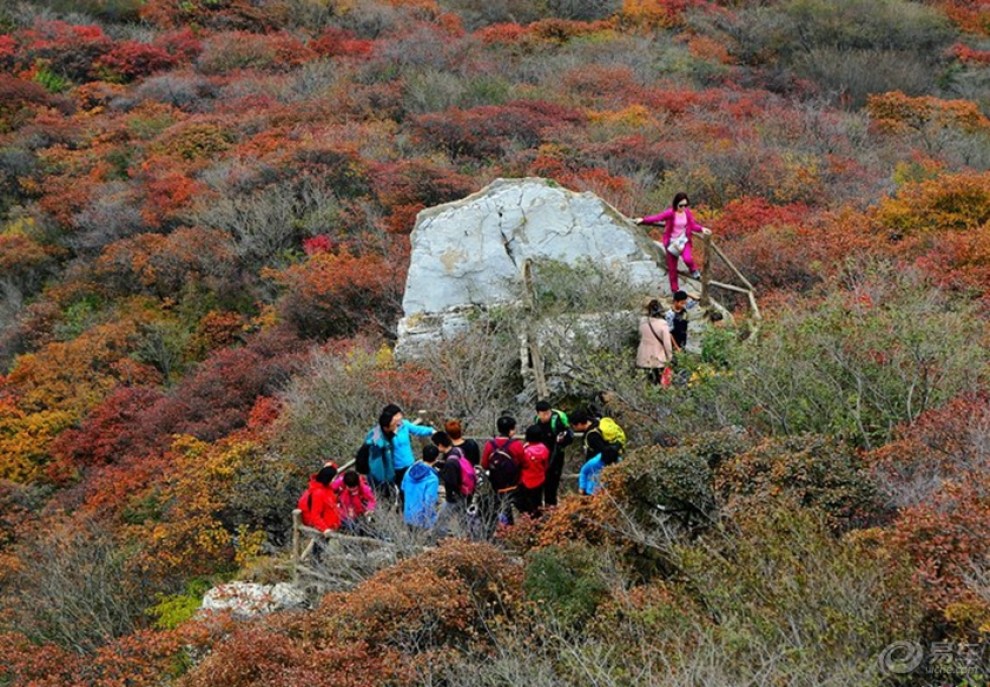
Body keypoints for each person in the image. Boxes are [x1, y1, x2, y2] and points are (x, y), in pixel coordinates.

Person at [634, 192, 712, 294]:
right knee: (672, 269)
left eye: (685, 205)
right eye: (681, 205)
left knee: (688, 259)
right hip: (672, 242)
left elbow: (692, 225)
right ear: (676, 204)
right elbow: (657, 218)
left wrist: (702, 229)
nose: (683, 207)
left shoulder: (687, 213)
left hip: (684, 240)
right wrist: (643, 220)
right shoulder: (671, 213)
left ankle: (693, 270)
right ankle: (675, 290)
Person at [362, 404, 434, 494]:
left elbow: (417, 429)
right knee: (401, 492)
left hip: (409, 464)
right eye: (397, 415)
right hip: (395, 468)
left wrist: (432, 431)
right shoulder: (382, 431)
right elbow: (371, 444)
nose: (400, 417)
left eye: (400, 414)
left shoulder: (404, 425)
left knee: (413, 490)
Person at [481, 415, 526, 527]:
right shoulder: (516, 445)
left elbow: (484, 464)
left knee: (499, 509)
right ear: (511, 430)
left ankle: (500, 528)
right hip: (514, 485)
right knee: (519, 509)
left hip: (496, 485)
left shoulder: (489, 445)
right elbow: (524, 463)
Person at [432, 431, 476, 536]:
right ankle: (469, 536)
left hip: (455, 495)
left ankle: (440, 539)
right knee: (464, 518)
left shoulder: (450, 463)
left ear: (440, 445)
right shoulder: (457, 451)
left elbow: (451, 481)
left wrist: (438, 472)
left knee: (441, 521)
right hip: (466, 491)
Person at [531, 400, 573, 507]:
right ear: (538, 414)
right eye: (543, 414)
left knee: (551, 487)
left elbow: (569, 436)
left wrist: (561, 441)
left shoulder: (557, 421)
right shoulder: (537, 421)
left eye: (548, 413)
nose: (546, 416)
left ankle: (551, 511)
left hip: (556, 457)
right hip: (541, 458)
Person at [402, 444, 441, 529]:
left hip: (408, 515)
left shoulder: (409, 470)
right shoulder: (432, 479)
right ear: (436, 457)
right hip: (422, 520)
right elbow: (429, 502)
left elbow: (403, 487)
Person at [637, 298, 673, 384]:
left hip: (643, 357)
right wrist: (670, 357)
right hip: (657, 359)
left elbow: (640, 335)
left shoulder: (642, 321)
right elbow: (667, 344)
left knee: (645, 383)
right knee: (656, 383)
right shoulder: (663, 324)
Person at [297, 463, 341, 533]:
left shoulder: (325, 488)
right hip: (327, 526)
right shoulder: (318, 493)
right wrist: (325, 529)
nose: (334, 480)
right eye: (333, 478)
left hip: (332, 522)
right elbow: (315, 515)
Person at [518, 424, 550, 517]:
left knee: (526, 505)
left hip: (526, 480)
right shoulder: (544, 449)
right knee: (537, 502)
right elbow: (546, 464)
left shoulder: (525, 450)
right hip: (539, 478)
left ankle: (527, 520)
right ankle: (538, 520)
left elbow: (522, 464)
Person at [331, 470, 376, 534]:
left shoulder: (364, 488)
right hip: (344, 511)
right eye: (350, 487)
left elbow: (371, 500)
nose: (352, 490)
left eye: (354, 487)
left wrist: (369, 509)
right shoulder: (340, 482)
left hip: (359, 513)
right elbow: (330, 489)